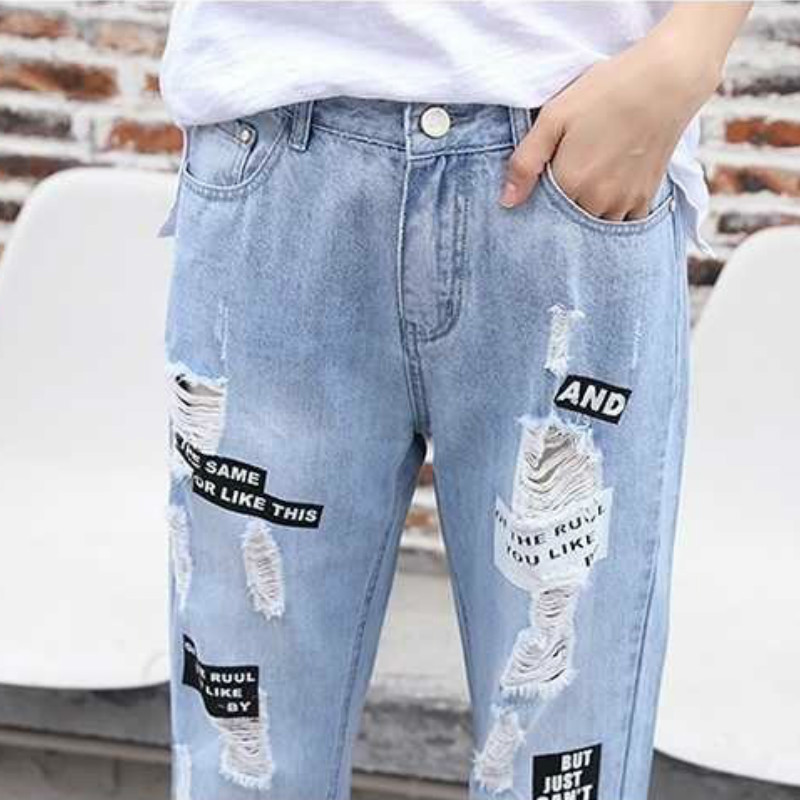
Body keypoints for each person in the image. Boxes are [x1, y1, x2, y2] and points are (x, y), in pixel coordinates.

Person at [156, 2, 753, 798]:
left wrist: (689, 52)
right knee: (244, 768)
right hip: (273, 147)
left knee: (559, 769)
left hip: (573, 170)